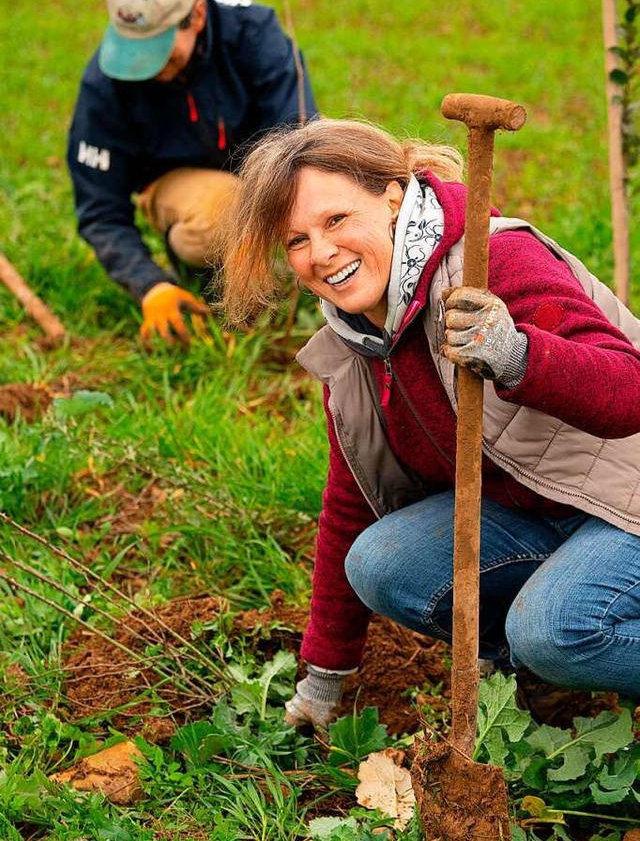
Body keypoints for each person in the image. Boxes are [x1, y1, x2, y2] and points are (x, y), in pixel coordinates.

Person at [220, 117, 640, 728]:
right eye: (295, 241)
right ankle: (534, 678)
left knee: (553, 631)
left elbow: (630, 388)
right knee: (379, 564)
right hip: (541, 512)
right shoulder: (356, 336)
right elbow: (351, 502)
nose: (321, 254)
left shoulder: (492, 262)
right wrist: (325, 674)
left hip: (625, 496)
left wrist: (518, 355)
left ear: (393, 195)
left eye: (336, 220)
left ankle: (552, 655)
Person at [66, 0, 317, 345]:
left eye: (158, 51)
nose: (145, 68)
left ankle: (275, 269)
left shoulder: (254, 34)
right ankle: (208, 270)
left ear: (196, 16)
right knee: (221, 215)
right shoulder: (104, 83)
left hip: (262, 179)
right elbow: (100, 210)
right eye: (134, 50)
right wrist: (151, 285)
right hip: (179, 188)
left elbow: (298, 143)